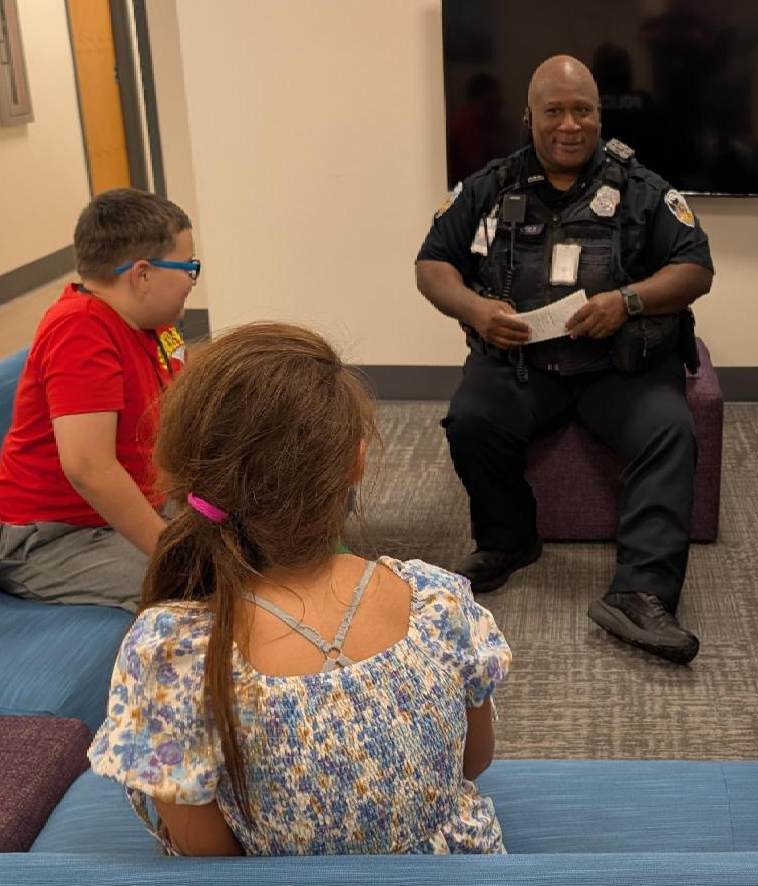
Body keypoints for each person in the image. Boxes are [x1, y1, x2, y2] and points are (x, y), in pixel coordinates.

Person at [87, 323, 512, 856]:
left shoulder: (173, 652)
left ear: (187, 479)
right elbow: (473, 761)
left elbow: (206, 853)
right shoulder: (438, 601)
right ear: (357, 461)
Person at [415, 54, 713, 665]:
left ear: (599, 115)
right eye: (555, 111)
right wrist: (474, 309)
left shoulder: (643, 189)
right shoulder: (490, 187)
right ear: (530, 117)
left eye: (583, 111)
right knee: (471, 420)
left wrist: (628, 301)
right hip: (524, 368)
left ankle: (640, 592)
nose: (570, 124)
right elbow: (431, 264)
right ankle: (507, 541)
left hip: (619, 369)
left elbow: (695, 270)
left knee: (670, 430)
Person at [0, 188, 194, 610]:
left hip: (130, 505)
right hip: (51, 537)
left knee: (253, 533)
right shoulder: (80, 329)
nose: (193, 282)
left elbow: (185, 403)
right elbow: (89, 468)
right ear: (142, 274)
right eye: (189, 268)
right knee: (202, 585)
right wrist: (172, 555)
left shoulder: (157, 325)